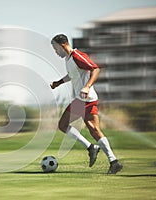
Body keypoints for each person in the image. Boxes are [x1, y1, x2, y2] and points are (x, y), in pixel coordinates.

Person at [50, 34, 123, 174]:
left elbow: (95, 69)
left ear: (62, 45)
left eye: (55, 48)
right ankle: (114, 161)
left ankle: (91, 147)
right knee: (94, 129)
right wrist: (58, 83)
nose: (55, 52)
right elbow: (72, 75)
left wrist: (87, 86)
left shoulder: (77, 55)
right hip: (86, 100)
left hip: (83, 99)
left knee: (63, 125)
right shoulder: (68, 59)